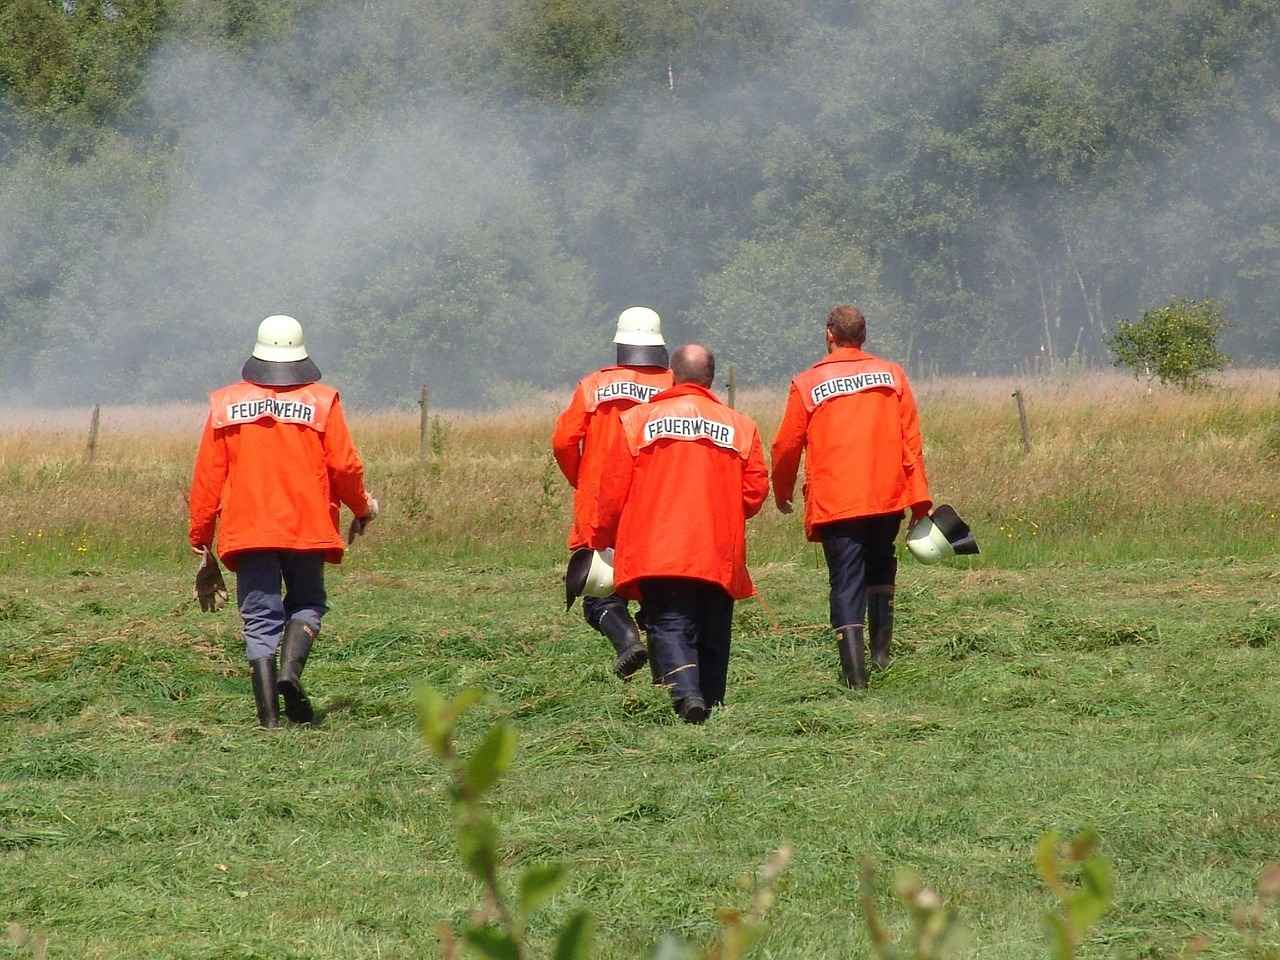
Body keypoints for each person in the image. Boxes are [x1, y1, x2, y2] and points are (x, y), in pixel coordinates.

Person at [188, 314, 379, 728]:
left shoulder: (224, 405)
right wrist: (363, 509)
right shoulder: (323, 402)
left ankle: (269, 721)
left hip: (249, 529)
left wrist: (201, 541)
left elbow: (207, 478)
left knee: (259, 618)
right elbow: (345, 467)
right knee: (308, 604)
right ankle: (290, 675)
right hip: (307, 527)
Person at [591, 344, 769, 723]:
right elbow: (754, 495)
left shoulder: (636, 421)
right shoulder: (742, 426)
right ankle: (711, 702)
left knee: (670, 624)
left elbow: (611, 492)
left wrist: (602, 539)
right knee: (713, 630)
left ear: (673, 376)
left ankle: (688, 699)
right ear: (711, 379)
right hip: (718, 551)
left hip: (658, 549)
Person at [770, 305, 931, 690]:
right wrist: (919, 500)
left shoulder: (808, 383)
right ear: (864, 335)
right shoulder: (893, 376)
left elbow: (786, 445)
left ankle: (855, 677)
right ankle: (880, 656)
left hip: (837, 501)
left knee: (845, 581)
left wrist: (781, 490)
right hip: (886, 497)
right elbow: (912, 442)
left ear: (829, 334)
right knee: (880, 568)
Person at [552, 307, 674, 679]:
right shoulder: (674, 385)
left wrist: (582, 479)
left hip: (601, 501)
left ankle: (625, 642)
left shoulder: (593, 386)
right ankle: (668, 671)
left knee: (600, 589)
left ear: (620, 345)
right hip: (657, 503)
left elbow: (562, 441)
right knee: (658, 585)